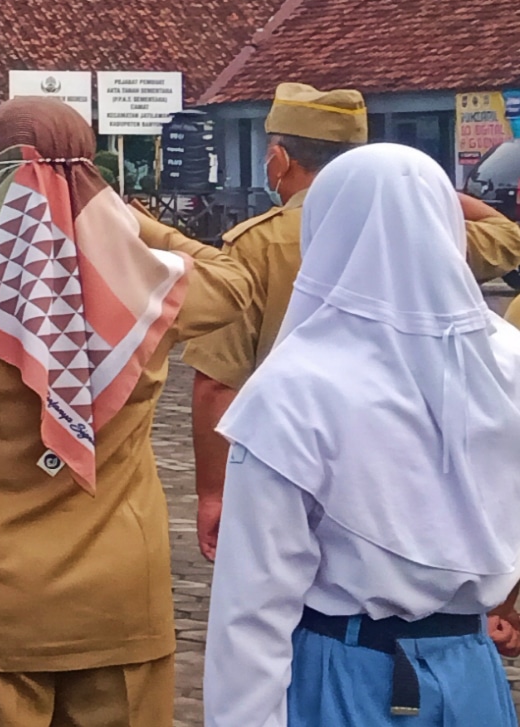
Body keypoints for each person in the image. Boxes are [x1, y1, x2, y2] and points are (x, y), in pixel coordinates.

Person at [0, 97, 261, 727]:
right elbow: (236, 280)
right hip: (119, 597)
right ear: (93, 179)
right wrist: (127, 222)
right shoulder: (146, 293)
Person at [204, 144, 520, 726]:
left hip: (348, 672)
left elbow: (253, 608)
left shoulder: (295, 388)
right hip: (472, 674)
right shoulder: (509, 360)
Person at [184, 83, 520, 559]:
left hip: (288, 451)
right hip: (413, 458)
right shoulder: (434, 233)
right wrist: (430, 193)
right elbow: (508, 235)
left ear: (279, 161)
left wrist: (214, 492)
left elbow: (218, 382)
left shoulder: (256, 244)